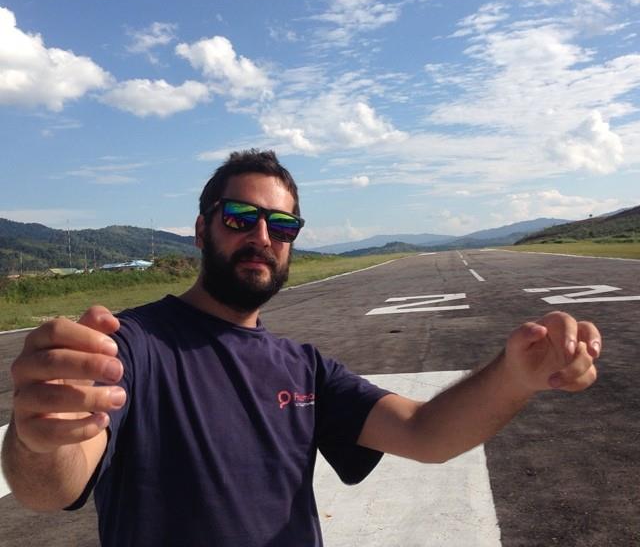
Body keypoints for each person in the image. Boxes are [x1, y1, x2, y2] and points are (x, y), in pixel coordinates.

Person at [2, 149, 601, 546]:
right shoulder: (132, 347)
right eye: (240, 217)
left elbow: (426, 435)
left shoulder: (304, 368)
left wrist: (515, 376)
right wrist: (37, 434)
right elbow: (51, 487)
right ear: (202, 229)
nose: (263, 236)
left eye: (282, 225)